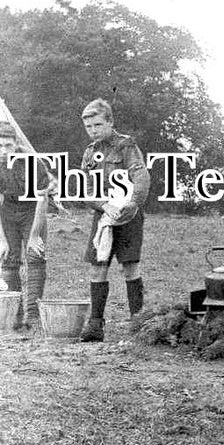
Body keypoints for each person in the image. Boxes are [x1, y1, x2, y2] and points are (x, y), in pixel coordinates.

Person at [77, 99, 151, 342]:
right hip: (103, 218)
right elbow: (87, 189)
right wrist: (103, 205)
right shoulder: (90, 153)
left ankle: (138, 323)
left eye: (98, 124)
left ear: (110, 121)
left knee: (130, 267)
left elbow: (140, 177)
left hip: (128, 216)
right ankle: (95, 325)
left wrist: (132, 204)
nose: (94, 130)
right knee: (98, 267)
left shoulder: (127, 147)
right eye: (89, 126)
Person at [0, 121, 52, 330]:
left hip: (32, 210)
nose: (3, 150)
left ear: (16, 143)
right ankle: (16, 314)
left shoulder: (32, 161)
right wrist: (2, 240)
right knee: (9, 258)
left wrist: (35, 235)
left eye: (8, 145)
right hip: (8, 210)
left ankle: (32, 315)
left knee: (35, 255)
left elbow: (42, 200)